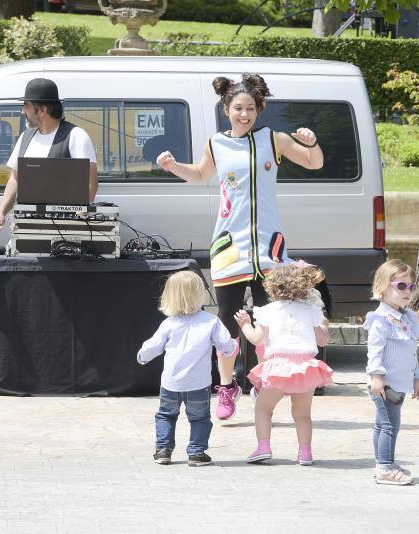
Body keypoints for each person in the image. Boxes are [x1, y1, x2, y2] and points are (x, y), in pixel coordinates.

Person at [156, 73, 323, 421]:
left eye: (250, 108)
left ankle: (263, 382)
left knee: (268, 321)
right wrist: (173, 167)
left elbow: (314, 162)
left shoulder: (274, 140)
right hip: (229, 246)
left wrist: (312, 143)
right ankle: (227, 386)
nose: (244, 114)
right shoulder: (216, 144)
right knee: (228, 322)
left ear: (258, 110)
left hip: (269, 250)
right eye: (237, 108)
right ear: (226, 110)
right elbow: (200, 175)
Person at [234, 261, 333, 465]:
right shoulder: (311, 311)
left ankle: (263, 447)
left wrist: (245, 325)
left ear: (273, 287)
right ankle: (305, 453)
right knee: (303, 414)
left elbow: (257, 339)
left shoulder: (268, 311)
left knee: (263, 407)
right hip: (306, 368)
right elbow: (323, 341)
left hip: (279, 367)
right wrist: (323, 325)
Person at [137, 270, 240, 467]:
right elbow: (225, 345)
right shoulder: (210, 321)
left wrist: (142, 357)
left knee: (166, 415)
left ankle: (163, 450)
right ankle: (196, 453)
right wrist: (233, 347)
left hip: (171, 382)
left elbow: (153, 347)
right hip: (199, 383)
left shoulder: (169, 324)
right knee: (200, 418)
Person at [0, 77, 98, 236]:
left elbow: (90, 183)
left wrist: (76, 222)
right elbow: (15, 179)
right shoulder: (26, 137)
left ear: (43, 110)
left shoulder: (76, 136)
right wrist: (0, 213)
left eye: (26, 106)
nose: (23, 111)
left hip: (64, 233)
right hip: (28, 229)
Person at [364, 259, 419, 486]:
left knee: (382, 424)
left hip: (400, 382)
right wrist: (376, 377)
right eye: (401, 286)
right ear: (383, 288)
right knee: (390, 425)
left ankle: (382, 462)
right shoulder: (380, 320)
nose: (407, 291)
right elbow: (375, 351)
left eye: (411, 286)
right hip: (385, 384)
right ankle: (385, 468)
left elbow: (411, 350)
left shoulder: (407, 318)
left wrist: (416, 376)